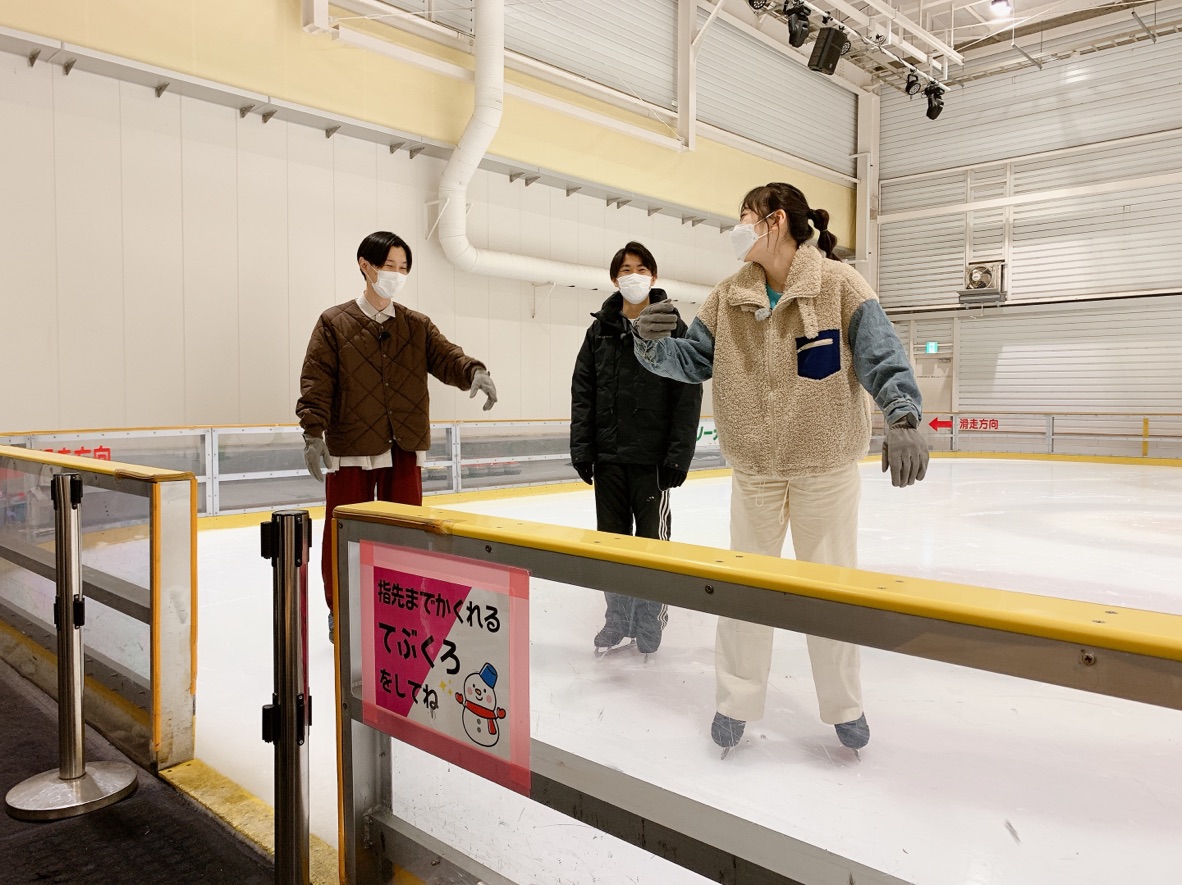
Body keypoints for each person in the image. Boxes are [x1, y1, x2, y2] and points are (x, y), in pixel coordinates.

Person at [632, 183, 929, 751]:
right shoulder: (727, 297)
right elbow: (692, 361)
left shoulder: (838, 286)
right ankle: (736, 700)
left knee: (831, 589)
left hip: (824, 467)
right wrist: (650, 345)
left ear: (772, 222)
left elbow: (880, 355)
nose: (735, 229)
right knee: (744, 589)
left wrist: (904, 413)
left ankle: (844, 704)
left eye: (742, 217)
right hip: (757, 471)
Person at [297, 231, 497, 638]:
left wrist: (474, 370)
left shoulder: (416, 325)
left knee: (406, 535)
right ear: (365, 265)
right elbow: (316, 381)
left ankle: (402, 608)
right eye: (389, 266)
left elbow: (447, 356)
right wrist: (312, 433)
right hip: (352, 446)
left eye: (403, 268)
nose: (397, 274)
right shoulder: (334, 323)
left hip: (403, 445)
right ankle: (343, 610)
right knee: (343, 532)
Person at [570, 241, 703, 655]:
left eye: (642, 268)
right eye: (626, 269)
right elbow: (583, 392)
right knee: (611, 548)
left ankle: (649, 619)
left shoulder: (673, 329)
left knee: (651, 546)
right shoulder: (599, 331)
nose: (634, 276)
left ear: (654, 277)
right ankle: (618, 619)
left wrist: (678, 456)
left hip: (652, 461)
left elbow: (688, 393)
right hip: (609, 458)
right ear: (614, 278)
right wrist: (583, 449)